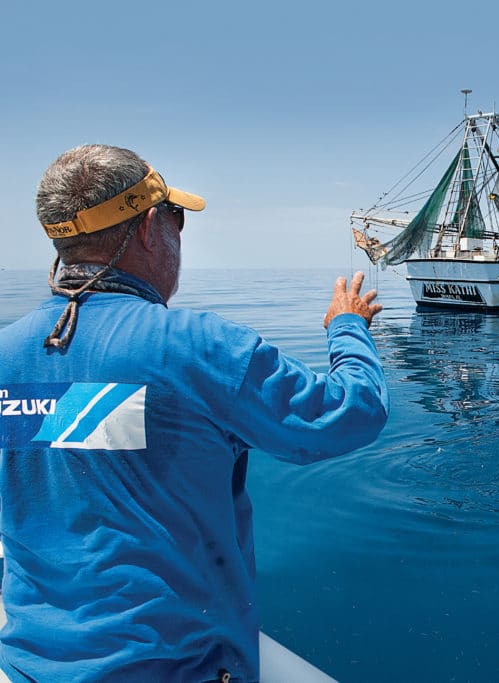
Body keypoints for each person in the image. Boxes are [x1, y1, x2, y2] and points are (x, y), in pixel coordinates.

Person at [0, 145, 389, 681]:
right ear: (147, 227)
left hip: (29, 667)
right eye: (177, 219)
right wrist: (348, 326)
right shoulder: (198, 348)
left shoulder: (6, 355)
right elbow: (350, 412)